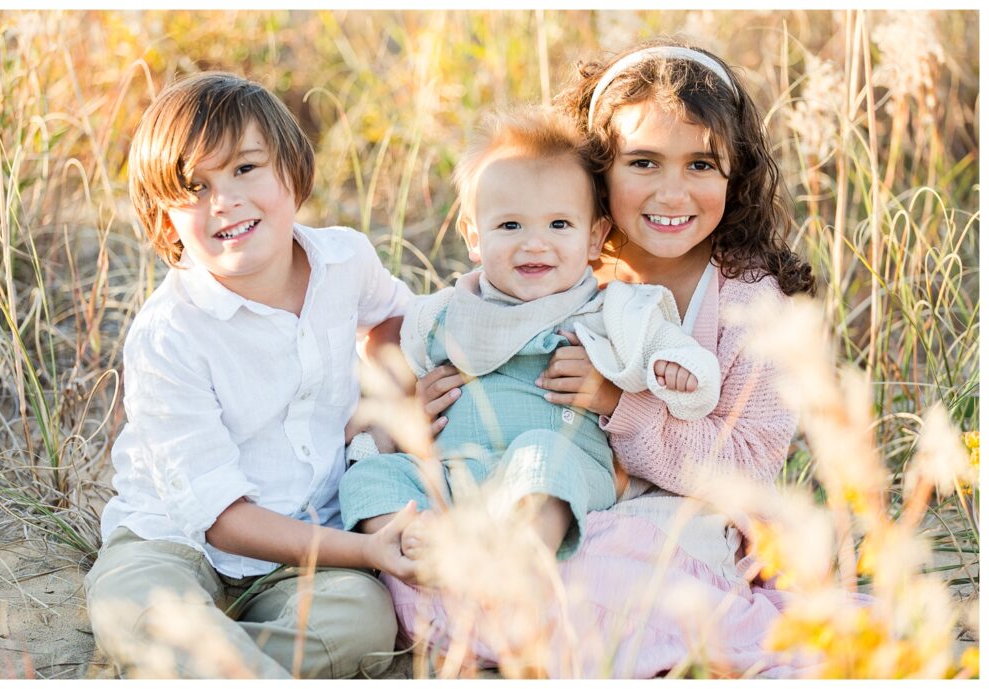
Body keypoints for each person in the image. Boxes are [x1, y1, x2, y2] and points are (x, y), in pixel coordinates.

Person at [404, 42, 816, 677]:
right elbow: (471, 338)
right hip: (528, 491)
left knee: (603, 571)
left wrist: (620, 404)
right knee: (430, 553)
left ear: (736, 174)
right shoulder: (560, 254)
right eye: (644, 161)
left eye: (702, 163)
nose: (672, 192)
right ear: (598, 170)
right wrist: (426, 398)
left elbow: (748, 466)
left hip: (675, 521)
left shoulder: (748, 300)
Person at [83, 72, 420, 679]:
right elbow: (223, 519)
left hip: (307, 537)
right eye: (194, 187)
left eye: (245, 169)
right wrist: (366, 550)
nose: (224, 201)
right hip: (173, 536)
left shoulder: (344, 260)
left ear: (292, 170)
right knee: (136, 603)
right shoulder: (169, 335)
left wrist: (380, 406)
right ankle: (220, 661)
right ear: (165, 223)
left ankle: (213, 667)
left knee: (364, 620)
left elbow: (397, 317)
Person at [339, 106, 720, 565]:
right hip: (455, 472)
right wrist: (405, 417)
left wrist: (678, 370)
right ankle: (415, 539)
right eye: (510, 225)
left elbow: (667, 348)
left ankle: (522, 555)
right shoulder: (439, 316)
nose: (534, 243)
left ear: (596, 237)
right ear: (474, 237)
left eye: (559, 225)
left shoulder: (608, 309)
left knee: (542, 454)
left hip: (558, 472)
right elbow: (396, 386)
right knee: (371, 476)